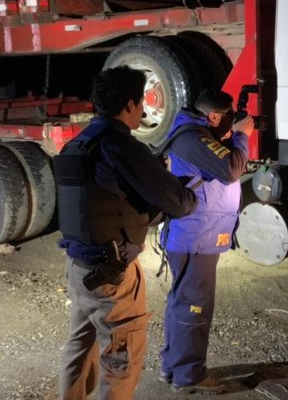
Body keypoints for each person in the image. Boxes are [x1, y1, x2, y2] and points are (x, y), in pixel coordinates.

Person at [58, 66, 198, 400]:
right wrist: (187, 189)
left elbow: (104, 200)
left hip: (79, 269)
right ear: (131, 104)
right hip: (112, 277)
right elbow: (177, 202)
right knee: (122, 356)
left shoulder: (79, 144)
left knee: (79, 350)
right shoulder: (120, 146)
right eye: (141, 106)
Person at [158, 88, 254, 395]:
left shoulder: (196, 136)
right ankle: (188, 375)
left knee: (183, 303)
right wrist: (241, 136)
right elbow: (230, 169)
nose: (229, 124)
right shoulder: (192, 138)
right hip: (195, 237)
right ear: (214, 116)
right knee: (194, 306)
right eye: (226, 119)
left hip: (196, 235)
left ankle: (174, 367)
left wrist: (230, 137)